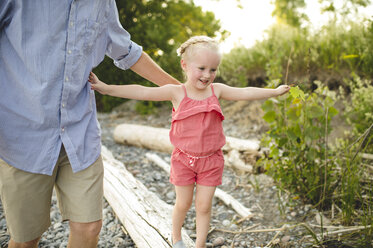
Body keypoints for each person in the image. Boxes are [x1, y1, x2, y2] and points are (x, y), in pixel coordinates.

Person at [0, 1, 180, 248]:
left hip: (79, 132)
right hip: (22, 134)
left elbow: (126, 50)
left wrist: (180, 91)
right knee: (25, 239)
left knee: (89, 226)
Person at [89, 35, 290, 248]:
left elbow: (245, 92)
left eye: (213, 69)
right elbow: (142, 91)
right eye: (201, 68)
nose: (207, 75)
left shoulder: (217, 90)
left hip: (211, 161)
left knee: (204, 206)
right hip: (184, 160)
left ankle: (200, 244)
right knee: (183, 203)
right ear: (185, 65)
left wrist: (273, 92)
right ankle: (176, 238)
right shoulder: (176, 92)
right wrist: (106, 88)